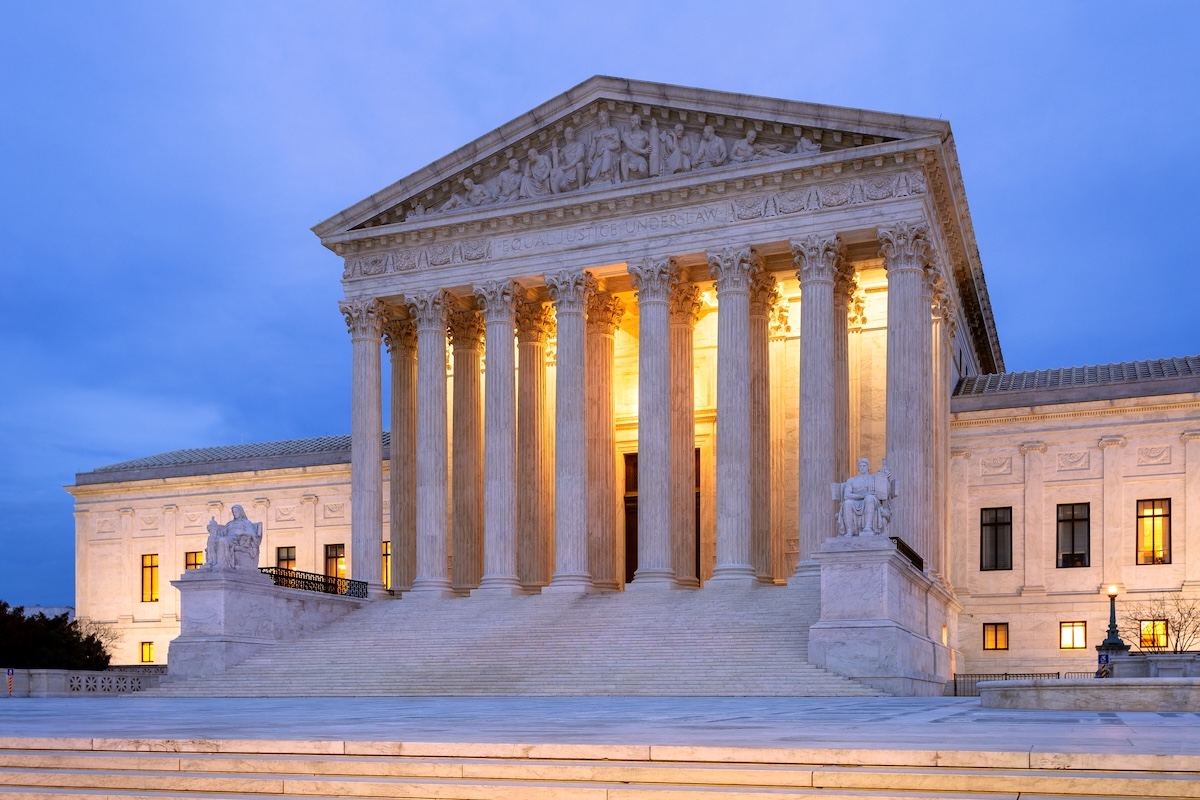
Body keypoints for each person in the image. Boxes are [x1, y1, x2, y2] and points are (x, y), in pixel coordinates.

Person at [834, 458, 895, 537]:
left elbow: (885, 491)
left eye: (864, 465)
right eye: (860, 466)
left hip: (871, 501)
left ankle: (867, 527)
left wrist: (885, 478)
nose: (862, 467)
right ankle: (849, 530)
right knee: (847, 503)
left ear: (868, 467)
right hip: (855, 501)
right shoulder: (851, 480)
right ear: (858, 468)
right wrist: (863, 495)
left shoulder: (874, 478)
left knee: (869, 498)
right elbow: (846, 495)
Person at [587, 110, 621, 185]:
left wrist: (607, 148)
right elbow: (593, 147)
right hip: (599, 156)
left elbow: (617, 144)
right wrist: (589, 157)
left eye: (603, 116)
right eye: (599, 117)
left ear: (607, 118)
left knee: (607, 152)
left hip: (611, 155)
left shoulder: (613, 130)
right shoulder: (596, 133)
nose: (601, 118)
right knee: (592, 176)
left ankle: (607, 175)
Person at [550, 127, 587, 193]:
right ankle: (573, 194)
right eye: (569, 132)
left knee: (580, 164)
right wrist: (554, 148)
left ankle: (581, 187)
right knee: (562, 185)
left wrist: (566, 167)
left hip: (577, 170)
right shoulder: (563, 150)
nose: (571, 134)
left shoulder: (579, 145)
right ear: (565, 135)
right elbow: (557, 163)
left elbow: (578, 158)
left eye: (573, 132)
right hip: (568, 172)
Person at [620, 114, 651, 182]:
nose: (631, 122)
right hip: (629, 157)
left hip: (639, 158)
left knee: (642, 169)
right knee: (623, 157)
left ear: (637, 121)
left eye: (633, 120)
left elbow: (651, 145)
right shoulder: (627, 134)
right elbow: (631, 146)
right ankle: (626, 181)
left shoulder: (645, 134)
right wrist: (643, 151)